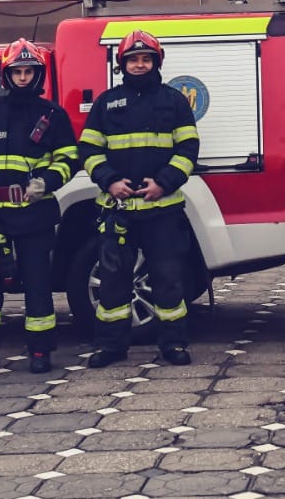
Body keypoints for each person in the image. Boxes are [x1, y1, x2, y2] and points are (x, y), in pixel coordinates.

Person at [80, 29, 201, 367]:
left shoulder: (174, 101)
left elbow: (188, 149)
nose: (139, 65)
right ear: (123, 64)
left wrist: (163, 183)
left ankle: (173, 345)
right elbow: (88, 149)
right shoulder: (106, 102)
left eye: (146, 59)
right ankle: (111, 347)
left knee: (168, 279)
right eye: (133, 59)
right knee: (113, 283)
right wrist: (110, 182)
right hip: (117, 209)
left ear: (156, 62)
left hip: (161, 209)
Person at [0, 38, 79, 376]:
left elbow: (68, 159)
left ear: (38, 75)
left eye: (29, 71)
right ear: (6, 74)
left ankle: (40, 350)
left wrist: (45, 182)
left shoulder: (52, 115)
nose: (23, 77)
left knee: (37, 282)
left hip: (34, 212)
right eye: (17, 71)